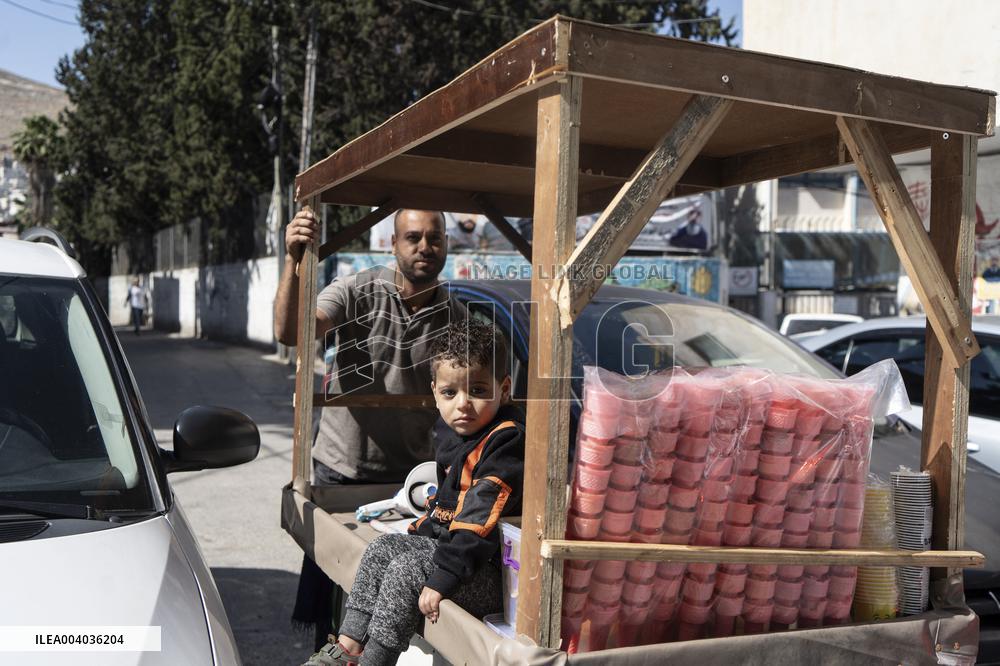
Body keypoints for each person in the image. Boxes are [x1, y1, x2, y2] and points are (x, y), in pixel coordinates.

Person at [274, 208, 466, 647]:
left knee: (388, 605)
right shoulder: (359, 290)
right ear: (393, 244)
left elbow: (471, 394)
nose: (424, 247)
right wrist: (293, 261)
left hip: (408, 483)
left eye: (434, 239)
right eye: (413, 237)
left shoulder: (453, 315)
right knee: (332, 599)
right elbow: (291, 332)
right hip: (342, 469)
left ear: (446, 246)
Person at [303, 319, 524, 665]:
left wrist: (442, 579)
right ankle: (347, 648)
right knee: (382, 548)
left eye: (479, 390)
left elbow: (478, 518)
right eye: (450, 393)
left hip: (489, 571)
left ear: (505, 389)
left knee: (406, 570)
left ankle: (375, 659)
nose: (463, 404)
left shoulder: (505, 441)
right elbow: (446, 509)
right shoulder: (459, 438)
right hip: (461, 557)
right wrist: (419, 528)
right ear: (435, 393)